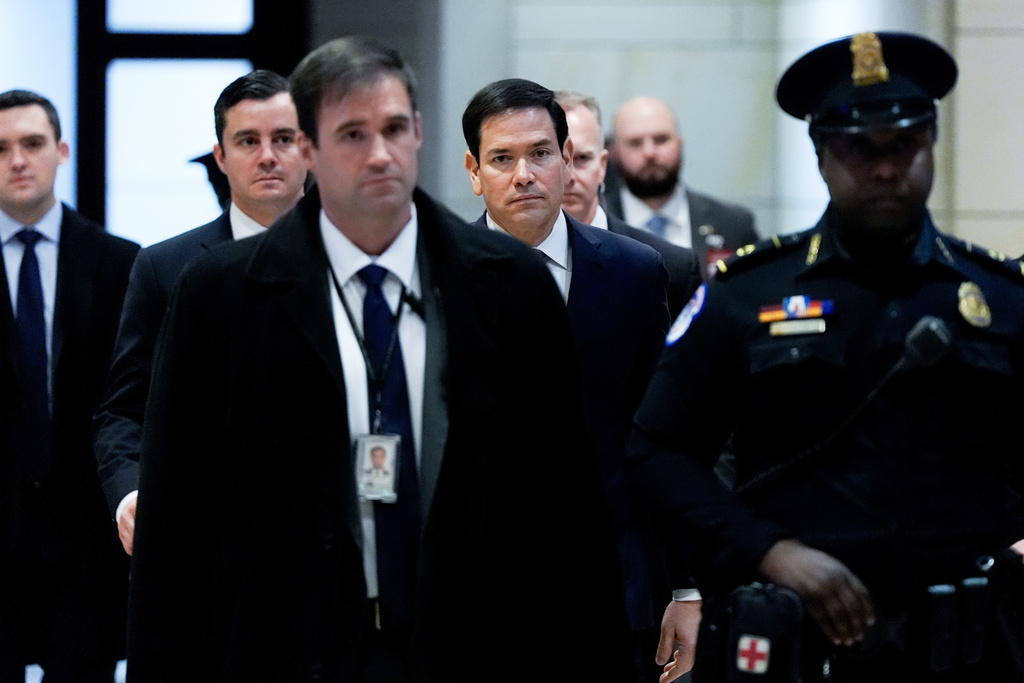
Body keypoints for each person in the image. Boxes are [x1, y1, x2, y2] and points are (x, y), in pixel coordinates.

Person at [125, 37, 630, 682]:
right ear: (309, 148)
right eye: (353, 134)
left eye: (394, 128)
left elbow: (570, 512)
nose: (381, 154)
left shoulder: (508, 286)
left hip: (475, 646)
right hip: (287, 647)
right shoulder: (220, 296)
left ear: (420, 131)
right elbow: (177, 526)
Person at [628, 32, 1024, 682]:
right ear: (820, 155)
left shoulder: (997, 299)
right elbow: (655, 450)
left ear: (931, 144)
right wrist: (771, 550)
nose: (886, 168)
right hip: (802, 646)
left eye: (903, 145)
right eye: (859, 149)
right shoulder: (748, 293)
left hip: (970, 646)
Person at [462, 77, 673, 682]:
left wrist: (685, 584)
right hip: (478, 595)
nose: (523, 173)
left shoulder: (634, 272)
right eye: (502, 158)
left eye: (541, 153)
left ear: (568, 161)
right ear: (475, 172)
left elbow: (659, 435)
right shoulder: (437, 276)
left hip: (613, 586)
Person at [93, 69, 306, 556]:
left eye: (283, 138)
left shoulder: (358, 254)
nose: (267, 155)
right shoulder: (165, 267)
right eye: (248, 141)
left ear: (308, 149)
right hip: (205, 539)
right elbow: (122, 411)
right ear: (221, 157)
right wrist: (130, 493)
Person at [0, 90, 139, 682]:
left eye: (32, 144)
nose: (17, 161)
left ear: (61, 151)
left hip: (88, 540)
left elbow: (129, 401)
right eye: (1, 149)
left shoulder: (120, 262)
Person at [555, 90, 702, 319]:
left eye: (582, 159)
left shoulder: (669, 266)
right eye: (554, 158)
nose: (569, 176)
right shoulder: (503, 255)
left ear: (603, 165)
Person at [606, 96, 757, 277]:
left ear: (679, 142)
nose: (650, 152)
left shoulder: (733, 225)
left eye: (661, 139)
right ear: (614, 152)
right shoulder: (593, 225)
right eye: (635, 143)